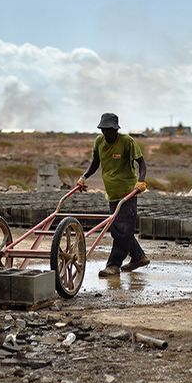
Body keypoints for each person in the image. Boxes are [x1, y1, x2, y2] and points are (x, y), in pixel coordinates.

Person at [77, 112, 149, 277]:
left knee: (121, 231)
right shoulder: (99, 141)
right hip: (112, 193)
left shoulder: (127, 142)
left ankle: (114, 265)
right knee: (120, 229)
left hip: (128, 193)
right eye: (104, 129)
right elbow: (96, 162)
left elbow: (142, 163)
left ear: (116, 129)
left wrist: (141, 181)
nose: (107, 133)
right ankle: (139, 257)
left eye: (110, 130)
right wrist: (84, 177)